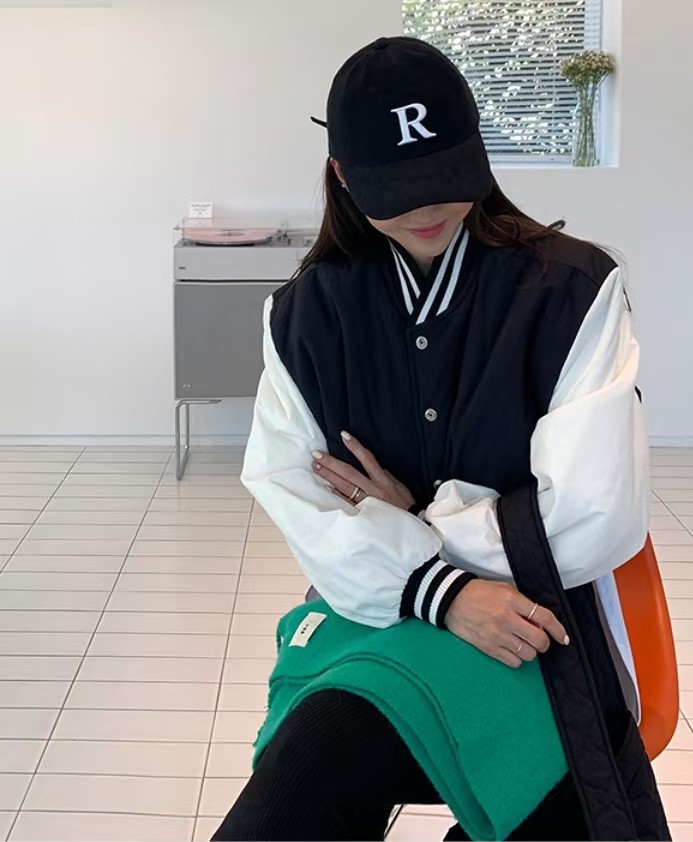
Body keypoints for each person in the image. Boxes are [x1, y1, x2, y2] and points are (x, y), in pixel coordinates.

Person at [212, 36, 670, 841]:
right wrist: (441, 591)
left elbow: (592, 517)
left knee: (558, 800)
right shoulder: (302, 316)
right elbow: (298, 497)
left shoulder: (574, 291)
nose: (428, 209)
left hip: (537, 627)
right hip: (380, 621)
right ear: (343, 175)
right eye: (398, 189)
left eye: (447, 176)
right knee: (293, 790)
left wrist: (409, 525)